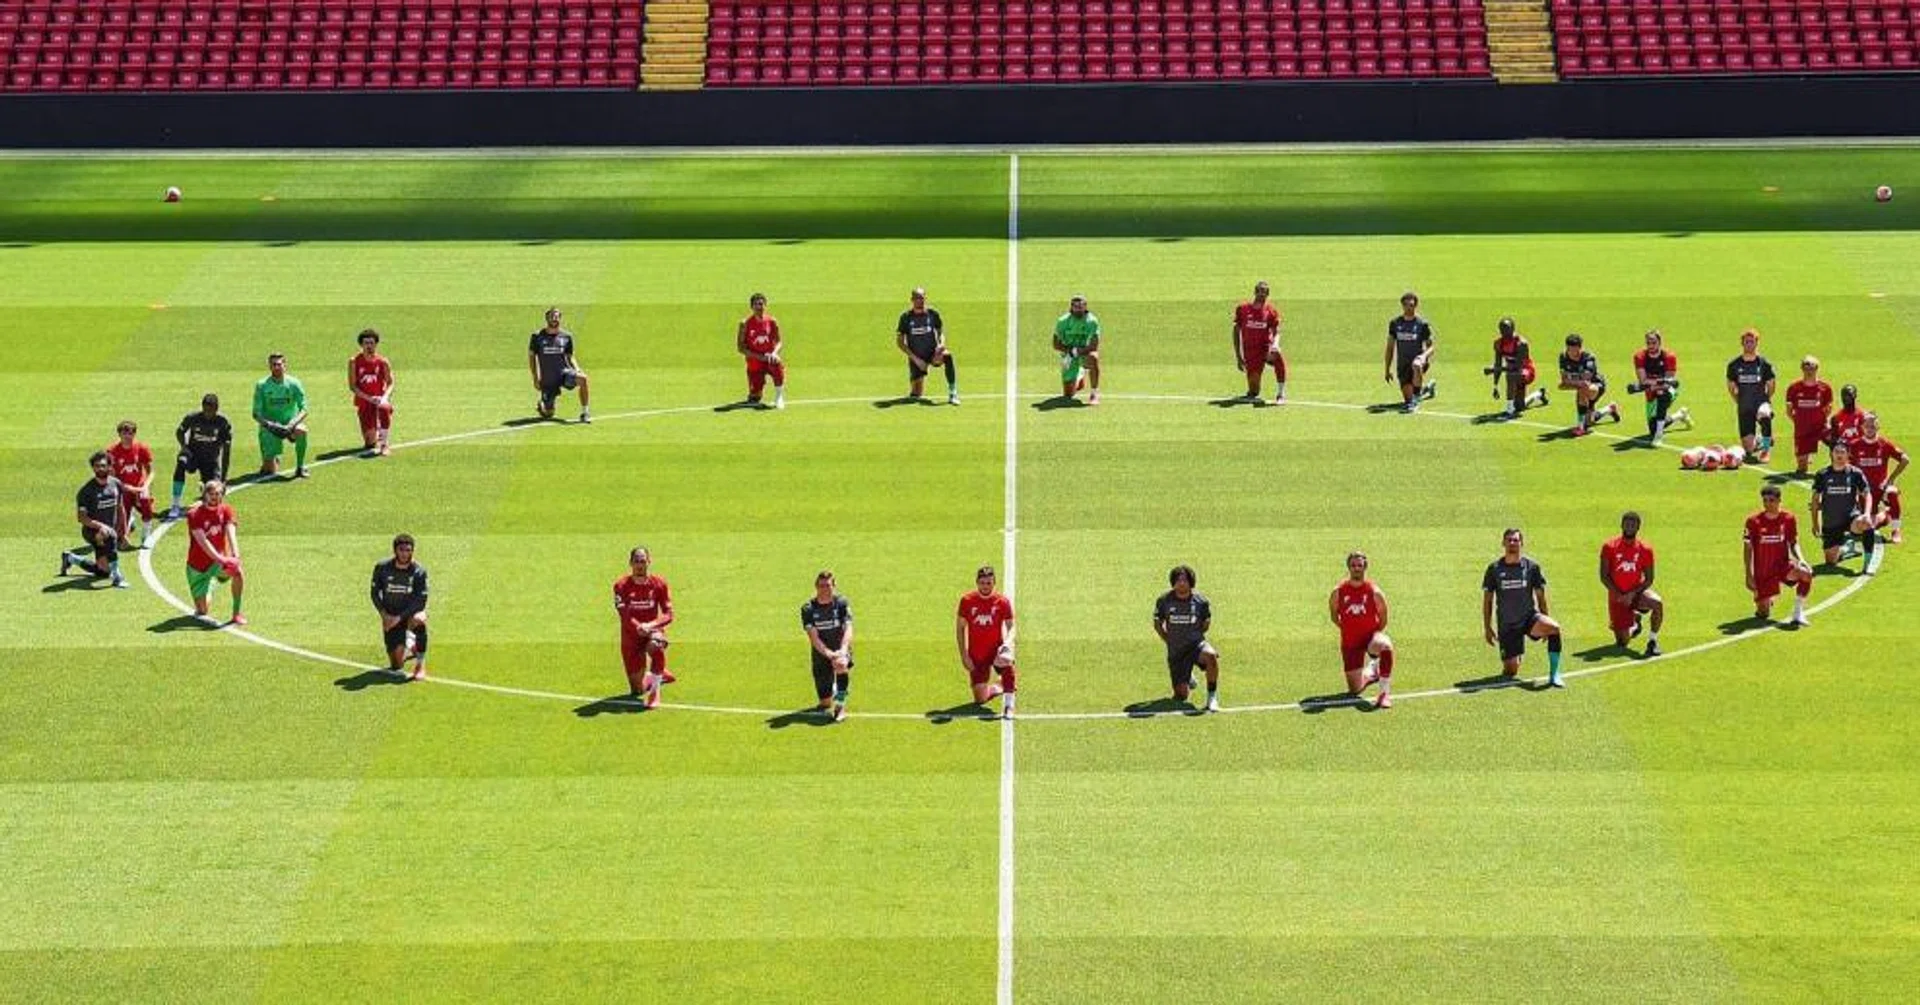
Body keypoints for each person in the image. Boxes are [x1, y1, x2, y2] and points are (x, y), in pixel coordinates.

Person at [1481, 528, 1565, 686]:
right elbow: (1488, 600)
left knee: (1554, 628)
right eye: (1509, 540)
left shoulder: (1532, 568)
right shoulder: (1494, 569)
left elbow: (1541, 596)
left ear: (1521, 543)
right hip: (1507, 625)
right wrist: (1487, 627)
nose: (1512, 543)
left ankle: (1554, 675)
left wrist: (1545, 617)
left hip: (1528, 619)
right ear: (1503, 543)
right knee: (1511, 671)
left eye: (1515, 540)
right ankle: (1515, 654)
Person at [1330, 551, 1395, 709]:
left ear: (1365, 567)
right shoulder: (1338, 592)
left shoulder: (1374, 592)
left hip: (1370, 638)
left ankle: (1384, 694)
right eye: (1353, 565)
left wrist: (1374, 634)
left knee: (1385, 646)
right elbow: (1334, 616)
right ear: (1348, 567)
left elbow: (1383, 617)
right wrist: (1348, 629)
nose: (1356, 568)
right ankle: (1372, 671)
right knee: (1355, 689)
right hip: (1350, 643)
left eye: (1359, 565)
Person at [613, 546, 675, 708]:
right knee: (637, 690)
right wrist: (639, 627)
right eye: (636, 561)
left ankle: (655, 693)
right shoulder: (621, 586)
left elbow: (669, 614)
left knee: (655, 645)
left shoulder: (659, 584)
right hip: (631, 637)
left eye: (642, 561)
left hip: (652, 631)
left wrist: (652, 625)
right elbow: (624, 614)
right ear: (630, 563)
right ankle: (659, 675)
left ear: (649, 562)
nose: (639, 565)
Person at [1745, 484, 1814, 625]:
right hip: (1763, 571)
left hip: (1782, 566)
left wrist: (1801, 559)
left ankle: (1798, 613)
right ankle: (1766, 599)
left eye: (1771, 500)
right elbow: (1748, 547)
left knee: (1806, 573)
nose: (1767, 504)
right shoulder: (1753, 521)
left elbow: (1793, 542)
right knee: (1763, 614)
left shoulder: (1788, 519)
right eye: (1765, 500)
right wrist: (1748, 574)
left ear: (1779, 501)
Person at [1153, 564, 1220, 711]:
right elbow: (1158, 624)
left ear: (1191, 582)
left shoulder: (1201, 601)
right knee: (1181, 696)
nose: (1181, 583)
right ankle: (1187, 675)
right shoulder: (1164, 600)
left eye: (1185, 580)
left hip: (1196, 646)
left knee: (1211, 655)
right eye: (1178, 580)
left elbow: (1206, 623)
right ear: (1173, 582)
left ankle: (1212, 697)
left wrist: (1195, 636)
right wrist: (1168, 640)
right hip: (1176, 652)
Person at [59, 451, 128, 589]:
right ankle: (117, 577)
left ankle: (71, 558)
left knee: (103, 572)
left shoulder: (116, 485)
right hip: (91, 530)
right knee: (109, 535)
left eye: (103, 465)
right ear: (93, 468)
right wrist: (100, 526)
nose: (100, 469)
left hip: (108, 531)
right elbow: (82, 518)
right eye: (97, 466)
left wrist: (124, 533)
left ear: (110, 467)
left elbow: (120, 508)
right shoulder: (86, 491)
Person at [1599, 511, 1664, 656]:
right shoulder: (1609, 547)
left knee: (1657, 603)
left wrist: (1632, 594)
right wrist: (1619, 594)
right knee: (1622, 643)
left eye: (1633, 524)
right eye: (1627, 524)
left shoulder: (1646, 549)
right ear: (1621, 525)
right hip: (1617, 596)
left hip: (1636, 593)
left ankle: (1652, 642)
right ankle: (1635, 619)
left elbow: (1649, 579)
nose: (1629, 527)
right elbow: (1604, 576)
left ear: (1638, 527)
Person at [956, 565, 1017, 717]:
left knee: (1006, 660)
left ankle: (1009, 705)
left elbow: (1012, 626)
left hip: (996, 651)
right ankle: (999, 685)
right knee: (980, 699)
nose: (985, 586)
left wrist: (1007, 644)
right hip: (976, 655)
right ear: (977, 583)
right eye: (982, 583)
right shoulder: (967, 601)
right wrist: (964, 655)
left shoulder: (1002, 602)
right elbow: (960, 629)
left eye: (989, 583)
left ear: (994, 583)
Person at [371, 533, 430, 680]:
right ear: (395, 551)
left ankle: (420, 664)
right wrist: (384, 616)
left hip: (408, 615)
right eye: (402, 550)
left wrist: (399, 618)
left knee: (420, 618)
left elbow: (421, 601)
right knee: (397, 665)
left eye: (409, 550)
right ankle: (411, 644)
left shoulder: (419, 572)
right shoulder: (382, 568)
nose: (405, 553)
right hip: (390, 616)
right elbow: (374, 593)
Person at [184, 480, 244, 624]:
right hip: (197, 567)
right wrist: (221, 559)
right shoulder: (194, 514)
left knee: (238, 572)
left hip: (217, 563)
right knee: (202, 611)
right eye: (211, 494)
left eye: (218, 494)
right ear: (204, 494)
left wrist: (235, 555)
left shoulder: (226, 510)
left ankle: (236, 613)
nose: (215, 497)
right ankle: (211, 583)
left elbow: (231, 532)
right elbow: (203, 542)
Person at [1810, 440, 1875, 566]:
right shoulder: (1822, 474)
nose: (1839, 455)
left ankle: (1868, 562)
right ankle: (1846, 549)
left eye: (1842, 452)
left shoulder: (1855, 473)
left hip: (1851, 518)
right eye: (1836, 452)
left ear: (1848, 454)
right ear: (1831, 454)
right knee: (1830, 561)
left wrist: (1867, 513)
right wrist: (1815, 523)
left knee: (1866, 523)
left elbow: (1867, 494)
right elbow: (1815, 500)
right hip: (1831, 522)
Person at [800, 570, 854, 721]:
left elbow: (848, 628)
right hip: (821, 653)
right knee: (824, 703)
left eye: (828, 585)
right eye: (821, 586)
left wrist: (842, 651)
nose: (825, 589)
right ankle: (832, 694)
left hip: (840, 649)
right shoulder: (808, 609)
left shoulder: (842, 603)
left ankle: (840, 706)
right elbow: (813, 637)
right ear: (816, 587)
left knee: (841, 665)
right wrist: (829, 654)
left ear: (834, 586)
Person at [1846, 412, 1907, 544]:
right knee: (1865, 525)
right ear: (1862, 427)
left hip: (1881, 488)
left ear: (1878, 427)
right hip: (1863, 490)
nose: (1870, 429)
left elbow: (1905, 459)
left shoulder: (1884, 444)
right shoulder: (1854, 445)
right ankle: (1885, 516)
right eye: (1867, 426)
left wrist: (1891, 479)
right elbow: (1845, 466)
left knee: (1892, 493)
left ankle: (1895, 530)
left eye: (1873, 426)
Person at [169, 393, 232, 519]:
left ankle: (204, 489)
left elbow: (226, 452)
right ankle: (175, 504)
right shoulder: (193, 418)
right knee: (181, 461)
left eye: (211, 410)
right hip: (193, 456)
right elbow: (179, 431)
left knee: (214, 491)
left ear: (217, 408)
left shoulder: (223, 423)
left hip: (210, 461)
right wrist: (184, 447)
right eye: (206, 410)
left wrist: (224, 479)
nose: (208, 413)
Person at [252, 352, 310, 478]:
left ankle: (300, 467)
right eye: (274, 364)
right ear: (269, 366)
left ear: (285, 365)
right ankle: (272, 459)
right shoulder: (262, 385)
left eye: (279, 364)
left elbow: (304, 408)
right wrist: (271, 425)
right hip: (270, 426)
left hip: (290, 423)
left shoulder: (294, 383)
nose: (277, 367)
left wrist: (291, 424)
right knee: (270, 471)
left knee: (302, 430)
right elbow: (256, 414)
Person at [528, 307, 591, 422]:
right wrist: (535, 378)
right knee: (548, 414)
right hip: (548, 379)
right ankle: (543, 405)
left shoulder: (566, 337)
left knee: (583, 379)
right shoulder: (537, 337)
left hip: (564, 374)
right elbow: (532, 358)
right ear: (547, 318)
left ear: (560, 319)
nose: (554, 319)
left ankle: (585, 412)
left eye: (557, 316)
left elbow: (570, 356)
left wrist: (577, 368)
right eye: (552, 316)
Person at [1724, 328, 1778, 463]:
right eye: (1746, 342)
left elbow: (1771, 385)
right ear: (1742, 343)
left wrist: (1766, 399)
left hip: (1760, 402)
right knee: (1749, 449)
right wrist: (1739, 400)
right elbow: (1731, 386)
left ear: (1757, 343)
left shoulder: (1764, 364)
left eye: (1752, 341)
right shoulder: (1734, 365)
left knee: (1765, 414)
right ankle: (1762, 439)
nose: (1749, 344)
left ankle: (1766, 451)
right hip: (1744, 405)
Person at [897, 287, 958, 404]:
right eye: (917, 298)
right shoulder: (905, 317)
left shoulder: (932, 314)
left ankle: (953, 392)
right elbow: (900, 342)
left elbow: (941, 333)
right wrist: (916, 359)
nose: (920, 300)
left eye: (922, 298)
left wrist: (941, 346)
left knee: (947, 356)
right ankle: (916, 380)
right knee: (916, 394)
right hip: (917, 357)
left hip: (933, 354)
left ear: (925, 298)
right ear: (912, 300)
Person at [1631, 329, 1691, 443]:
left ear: (1659, 343)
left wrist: (1654, 384)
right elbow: (1643, 380)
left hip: (1668, 390)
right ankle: (1679, 415)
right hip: (1650, 392)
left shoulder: (1669, 356)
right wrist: (1656, 383)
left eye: (1653, 342)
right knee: (1652, 428)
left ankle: (1659, 436)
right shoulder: (1640, 357)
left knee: (1662, 395)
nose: (1651, 346)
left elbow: (1669, 380)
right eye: (1648, 343)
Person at [1556, 333, 1620, 436]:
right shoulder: (1563, 356)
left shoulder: (1589, 357)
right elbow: (1564, 379)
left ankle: (1581, 427)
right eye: (1569, 349)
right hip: (1581, 387)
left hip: (1596, 386)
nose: (1571, 353)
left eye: (1574, 350)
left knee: (1582, 389)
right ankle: (1609, 409)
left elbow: (1586, 380)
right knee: (1590, 421)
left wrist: (1569, 381)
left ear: (1580, 348)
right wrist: (1570, 382)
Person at [1384, 290, 1437, 412]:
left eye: (1411, 305)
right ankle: (1427, 389)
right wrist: (1387, 370)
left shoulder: (1422, 324)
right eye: (1406, 305)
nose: (1409, 308)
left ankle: (1415, 401)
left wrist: (1423, 356)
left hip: (1418, 363)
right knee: (1408, 397)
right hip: (1403, 365)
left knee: (1416, 365)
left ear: (1416, 305)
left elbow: (1431, 347)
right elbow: (1390, 348)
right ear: (1402, 305)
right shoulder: (1395, 324)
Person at [1233, 280, 1285, 403]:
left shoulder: (1270, 311)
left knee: (1277, 356)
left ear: (1268, 295)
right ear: (1255, 293)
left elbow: (1276, 331)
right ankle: (1252, 388)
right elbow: (1236, 331)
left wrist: (1275, 345)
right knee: (1254, 391)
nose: (1262, 295)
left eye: (1265, 293)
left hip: (1265, 348)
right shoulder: (1243, 309)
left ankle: (1281, 394)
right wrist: (1238, 356)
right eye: (1260, 292)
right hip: (1250, 352)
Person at [106, 420, 156, 547]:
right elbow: (110, 475)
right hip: (124, 488)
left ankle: (146, 536)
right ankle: (127, 526)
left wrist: (145, 486)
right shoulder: (112, 451)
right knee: (121, 541)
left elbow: (151, 471)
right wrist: (123, 486)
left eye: (131, 433)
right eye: (125, 433)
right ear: (119, 434)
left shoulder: (141, 448)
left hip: (139, 487)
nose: (128, 437)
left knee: (147, 508)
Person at [1784, 356, 1834, 477]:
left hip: (1820, 427)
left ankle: (1837, 468)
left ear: (1817, 368)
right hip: (1802, 429)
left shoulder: (1825, 388)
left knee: (1837, 443)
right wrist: (1798, 422)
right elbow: (1789, 410)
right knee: (1802, 468)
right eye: (1806, 368)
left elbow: (1828, 408)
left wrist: (1822, 420)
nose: (1809, 371)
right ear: (1802, 369)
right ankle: (1804, 462)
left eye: (1812, 368)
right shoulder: (1794, 388)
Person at [1487, 316, 1546, 419]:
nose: (1504, 332)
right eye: (1502, 329)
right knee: (1520, 406)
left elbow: (1517, 367)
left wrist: (1494, 370)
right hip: (1514, 373)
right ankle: (1538, 394)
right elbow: (1498, 363)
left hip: (1527, 372)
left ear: (1513, 328)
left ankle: (1509, 411)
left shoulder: (1521, 344)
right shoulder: (1498, 344)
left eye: (1506, 329)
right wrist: (1495, 385)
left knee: (1511, 375)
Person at [349, 328, 396, 456]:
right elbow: (353, 386)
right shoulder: (354, 361)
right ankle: (375, 434)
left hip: (379, 401)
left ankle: (385, 444)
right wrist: (370, 399)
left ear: (376, 344)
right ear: (361, 344)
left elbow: (391, 382)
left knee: (384, 408)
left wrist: (385, 397)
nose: (369, 346)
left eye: (371, 343)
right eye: (366, 343)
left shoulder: (382, 362)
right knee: (370, 442)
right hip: (364, 402)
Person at [737, 293, 786, 409]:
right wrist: (760, 357)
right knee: (755, 398)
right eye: (756, 304)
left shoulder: (772, 321)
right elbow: (741, 348)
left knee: (777, 363)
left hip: (769, 358)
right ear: (751, 307)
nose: (759, 307)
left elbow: (779, 342)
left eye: (761, 304)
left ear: (765, 305)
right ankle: (756, 392)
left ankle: (779, 397)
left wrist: (774, 353)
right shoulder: (745, 324)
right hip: (754, 363)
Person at [1052, 294, 1101, 405]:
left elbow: (1094, 345)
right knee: (1069, 395)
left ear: (1085, 307)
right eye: (1076, 306)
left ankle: (1094, 393)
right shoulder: (1062, 321)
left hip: (1085, 352)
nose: (1078, 309)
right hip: (1069, 355)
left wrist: (1077, 351)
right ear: (1071, 307)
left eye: (1081, 306)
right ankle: (1080, 375)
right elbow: (1055, 344)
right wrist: (1070, 351)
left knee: (1093, 357)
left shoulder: (1092, 321)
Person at [1826, 383, 1866, 452]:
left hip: (1860, 453)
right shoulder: (1836, 418)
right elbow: (1833, 441)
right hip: (1844, 455)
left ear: (1855, 396)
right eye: (1844, 396)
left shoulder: (1863, 416)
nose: (1847, 398)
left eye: (1849, 396)